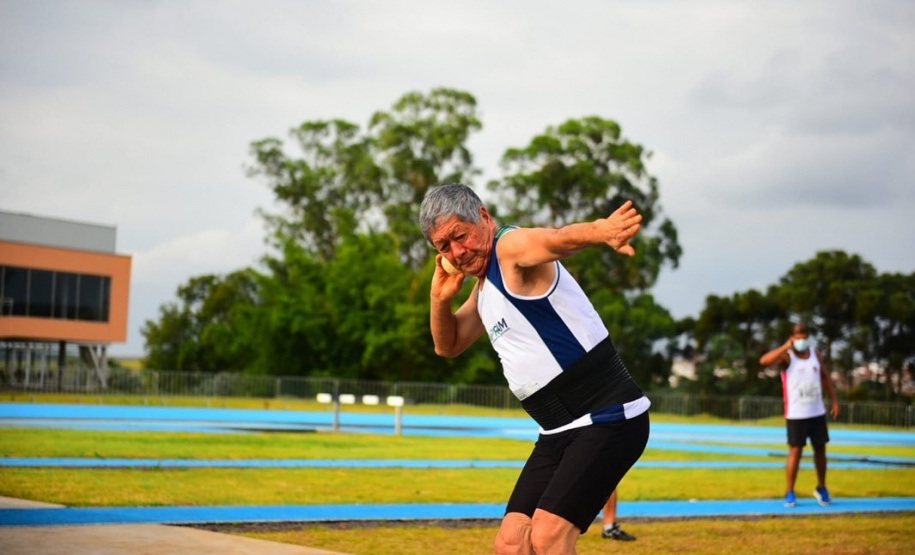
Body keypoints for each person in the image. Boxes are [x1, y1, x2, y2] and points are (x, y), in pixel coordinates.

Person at [420, 184, 650, 555]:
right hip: (557, 430)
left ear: (483, 217)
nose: (457, 252)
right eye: (443, 248)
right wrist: (438, 299)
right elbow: (447, 345)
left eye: (460, 236)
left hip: (606, 415)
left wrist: (601, 230)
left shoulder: (509, 249)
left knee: (547, 537)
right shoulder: (483, 290)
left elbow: (556, 240)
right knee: (512, 544)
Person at [759, 323, 840, 508]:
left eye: (804, 337)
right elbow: (764, 361)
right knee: (796, 451)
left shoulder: (814, 354)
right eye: (798, 337)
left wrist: (834, 400)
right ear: (792, 337)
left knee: (821, 450)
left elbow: (824, 376)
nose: (802, 341)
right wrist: (786, 346)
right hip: (796, 413)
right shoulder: (787, 357)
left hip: (817, 411)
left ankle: (821, 487)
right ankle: (790, 492)